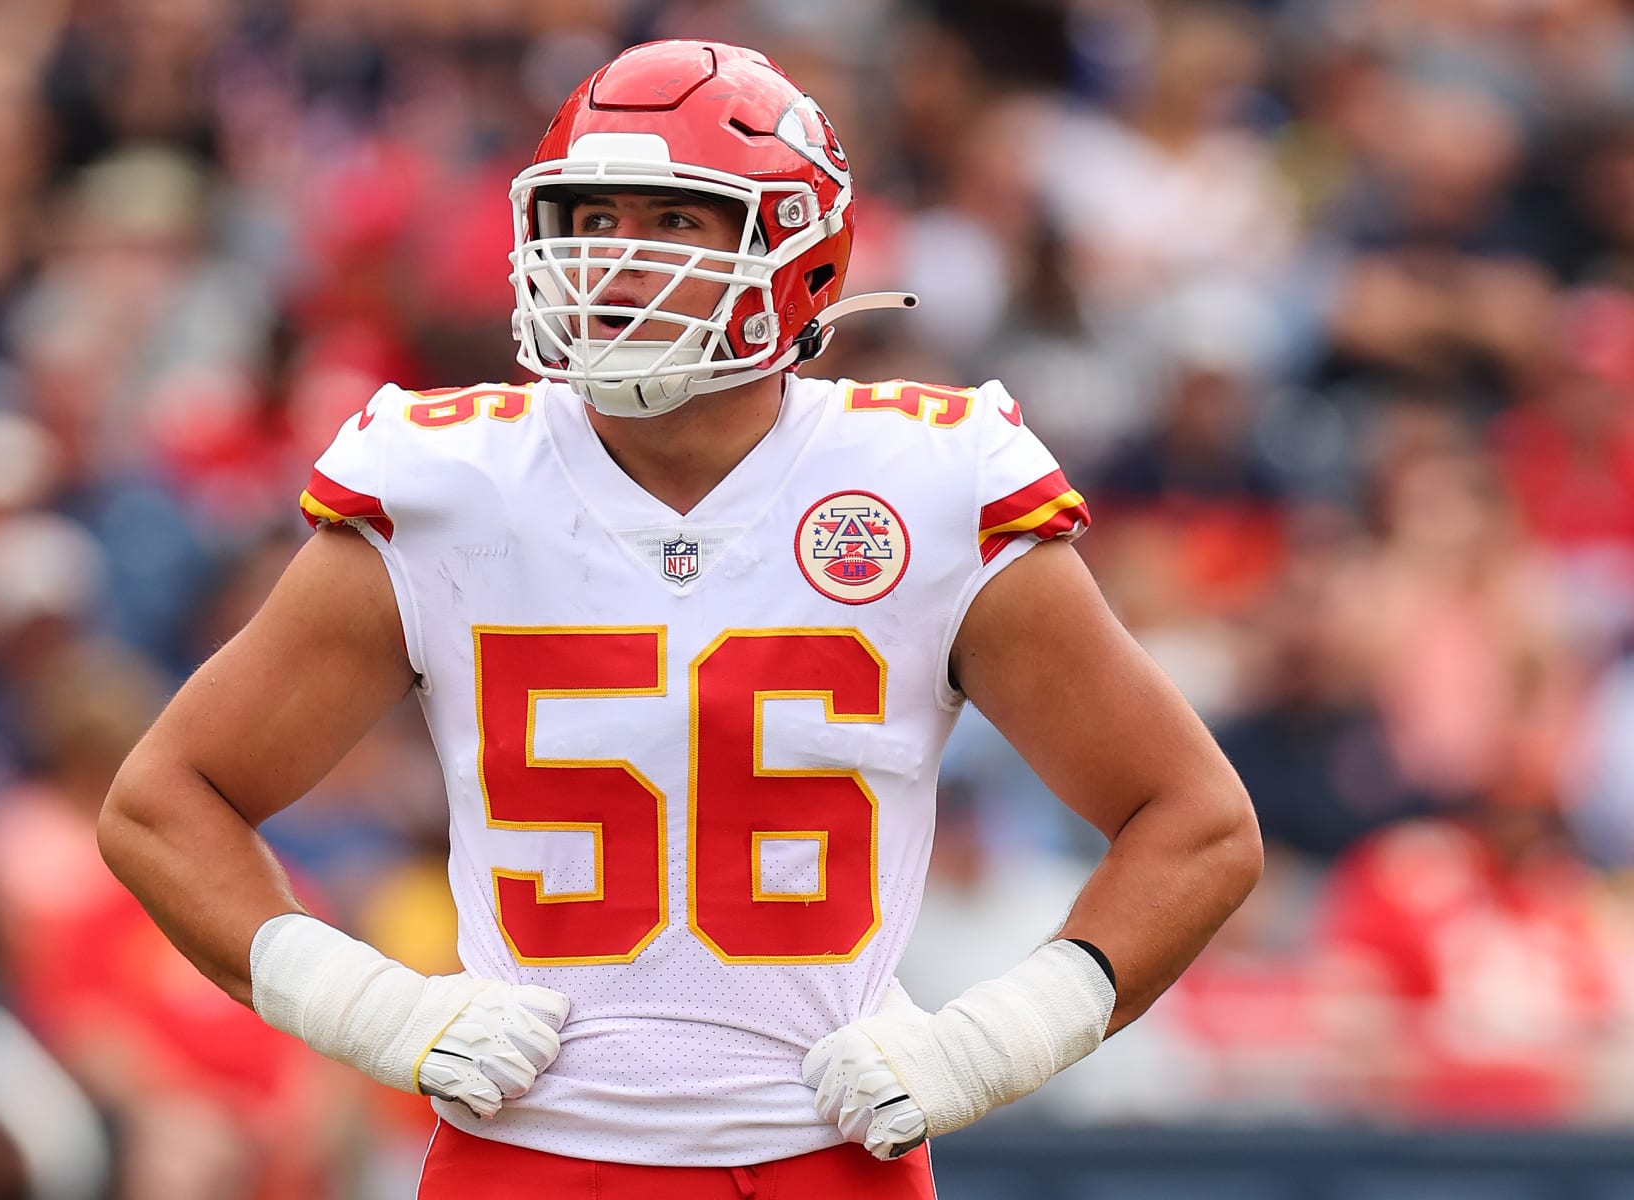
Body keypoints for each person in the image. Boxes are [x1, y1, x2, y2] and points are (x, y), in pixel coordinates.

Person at [98, 39, 1263, 1198]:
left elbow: (1196, 823)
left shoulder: (925, 479)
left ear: (798, 256)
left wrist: (985, 1046)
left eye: (672, 220)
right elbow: (166, 804)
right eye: (589, 216)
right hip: (527, 1158)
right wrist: (378, 1011)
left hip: (827, 1156)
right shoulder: (451, 483)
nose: (613, 259)